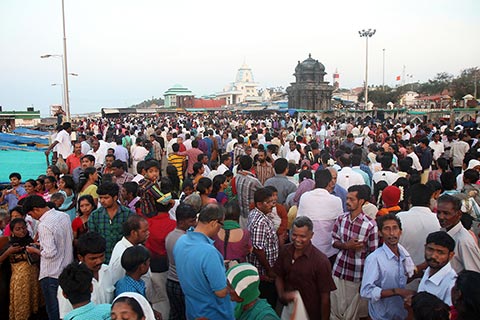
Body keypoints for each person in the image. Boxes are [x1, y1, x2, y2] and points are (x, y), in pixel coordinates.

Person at [174, 204, 234, 320]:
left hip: (193, 311)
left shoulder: (181, 241)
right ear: (214, 223)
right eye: (221, 225)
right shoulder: (209, 252)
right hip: (213, 313)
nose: (220, 229)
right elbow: (220, 292)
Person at [330, 185, 379, 320]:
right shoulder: (341, 219)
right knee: (335, 311)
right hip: (339, 271)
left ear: (361, 201)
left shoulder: (370, 225)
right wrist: (346, 245)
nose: (347, 202)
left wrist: (368, 280)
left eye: (352, 199)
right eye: (347, 198)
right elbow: (333, 241)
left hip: (357, 276)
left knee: (354, 314)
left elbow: (373, 255)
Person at [23, 195, 74, 320]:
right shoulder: (64, 216)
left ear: (36, 209)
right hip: (67, 269)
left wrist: (34, 250)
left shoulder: (44, 225)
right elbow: (66, 240)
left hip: (52, 273)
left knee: (53, 310)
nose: (32, 217)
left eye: (31, 214)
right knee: (65, 309)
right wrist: (42, 245)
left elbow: (50, 253)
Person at [274, 216, 336, 319]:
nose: (297, 240)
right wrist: (282, 295)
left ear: (311, 235)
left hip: (310, 313)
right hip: (288, 309)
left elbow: (325, 298)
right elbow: (278, 275)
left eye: (302, 236)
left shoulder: (321, 262)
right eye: (294, 235)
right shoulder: (285, 251)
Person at [360, 213, 415, 320]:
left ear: (400, 231)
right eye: (387, 229)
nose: (392, 233)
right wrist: (397, 291)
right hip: (382, 316)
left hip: (401, 313)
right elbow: (366, 291)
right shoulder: (375, 259)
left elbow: (402, 278)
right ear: (380, 233)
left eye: (395, 228)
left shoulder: (404, 255)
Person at [58, 231, 115, 318]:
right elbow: (65, 315)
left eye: (101, 256)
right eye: (93, 258)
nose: (99, 261)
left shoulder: (108, 271)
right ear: (81, 257)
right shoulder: (71, 281)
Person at [297, 169, 344, 266]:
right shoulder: (336, 201)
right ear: (330, 182)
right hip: (328, 252)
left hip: (308, 249)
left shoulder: (305, 197)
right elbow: (340, 226)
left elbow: (299, 221)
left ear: (315, 181)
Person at [0, 218, 42, 320]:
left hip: (34, 277)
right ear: (12, 231)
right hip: (19, 281)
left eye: (24, 228)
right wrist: (8, 252)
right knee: (22, 305)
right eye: (18, 229)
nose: (22, 231)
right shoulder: (9, 245)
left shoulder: (30, 241)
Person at [247, 187, 279, 307]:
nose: (272, 205)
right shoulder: (259, 222)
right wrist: (269, 270)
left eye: (273, 202)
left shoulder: (259, 214)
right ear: (259, 204)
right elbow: (258, 249)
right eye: (269, 202)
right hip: (264, 274)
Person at [165, 203, 197, 320]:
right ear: (182, 222)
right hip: (182, 283)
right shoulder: (185, 240)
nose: (194, 224)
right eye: (191, 221)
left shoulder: (170, 236)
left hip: (171, 281)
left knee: (175, 314)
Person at [88, 182, 133, 263]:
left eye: (106, 198)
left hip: (124, 259)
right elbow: (92, 239)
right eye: (100, 198)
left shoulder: (128, 214)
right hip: (103, 261)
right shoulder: (95, 216)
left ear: (115, 197)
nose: (102, 201)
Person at [397, 183, 441, 266]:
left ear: (410, 200)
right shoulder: (438, 220)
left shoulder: (400, 218)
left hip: (403, 269)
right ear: (430, 199)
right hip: (430, 269)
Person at [436, 194, 480, 272]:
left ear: (459, 214)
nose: (441, 217)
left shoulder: (464, 241)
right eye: (438, 212)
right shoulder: (444, 231)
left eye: (446, 213)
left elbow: (474, 272)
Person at [418, 231, 457, 305]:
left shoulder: (452, 284)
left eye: (440, 252)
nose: (433, 256)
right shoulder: (429, 270)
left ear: (451, 255)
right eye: (430, 249)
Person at [236, 155, 263, 227]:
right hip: (251, 214)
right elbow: (263, 192)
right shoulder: (253, 181)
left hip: (241, 212)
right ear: (251, 165)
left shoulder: (237, 176)